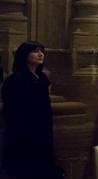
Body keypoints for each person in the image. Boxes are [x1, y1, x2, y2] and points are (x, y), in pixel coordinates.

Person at [2, 41, 63, 179]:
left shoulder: (42, 78)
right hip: (24, 132)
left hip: (42, 129)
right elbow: (12, 110)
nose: (40, 54)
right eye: (35, 51)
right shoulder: (15, 80)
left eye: (42, 51)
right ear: (24, 55)